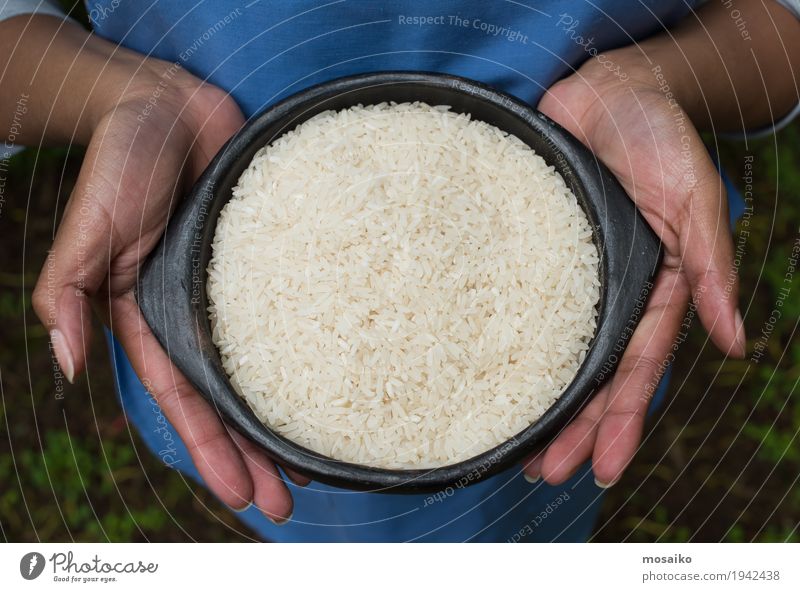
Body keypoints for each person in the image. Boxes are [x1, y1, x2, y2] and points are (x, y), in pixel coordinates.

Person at [2, 0, 798, 542]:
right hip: (215, 275)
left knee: (525, 507)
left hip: (575, 283)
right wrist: (130, 99)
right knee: (308, 516)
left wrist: (652, 80)